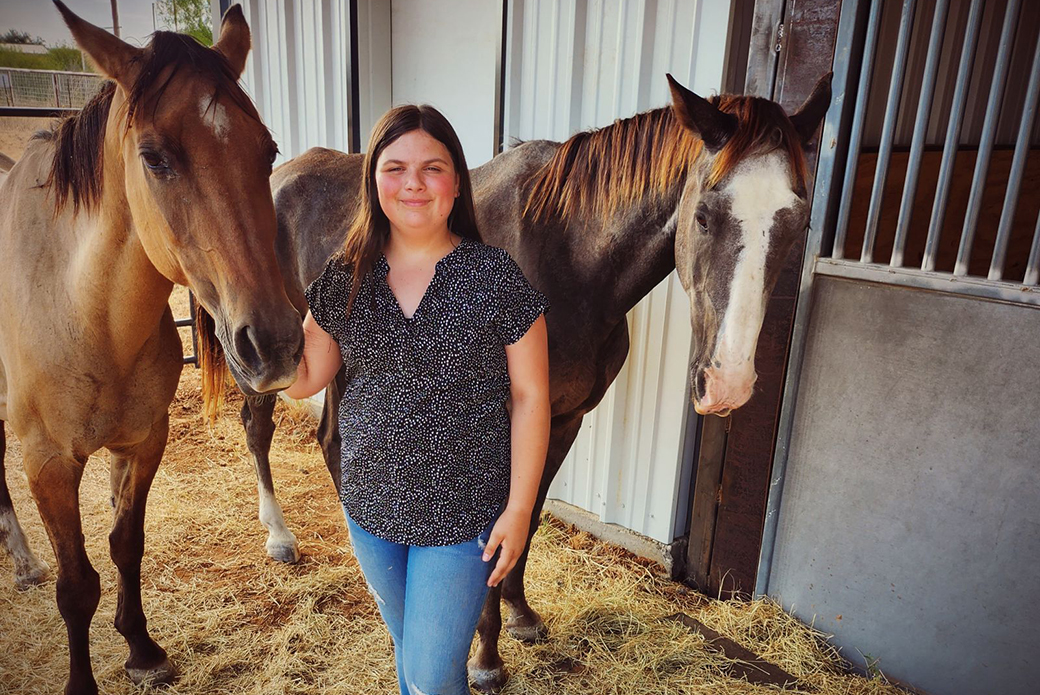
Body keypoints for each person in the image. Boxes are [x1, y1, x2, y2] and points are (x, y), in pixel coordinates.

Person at [285, 104, 551, 695]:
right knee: (412, 654)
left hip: (463, 515)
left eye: (432, 168)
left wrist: (519, 509)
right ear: (373, 181)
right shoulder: (346, 273)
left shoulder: (495, 276)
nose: (413, 183)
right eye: (395, 167)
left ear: (457, 183)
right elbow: (306, 377)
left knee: (432, 678)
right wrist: (249, 339)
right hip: (370, 505)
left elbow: (531, 396)